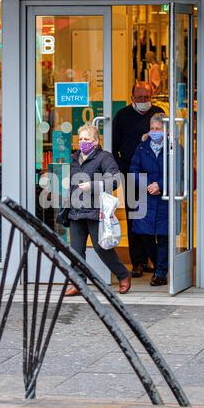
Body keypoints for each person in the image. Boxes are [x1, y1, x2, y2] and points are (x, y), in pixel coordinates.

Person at [65, 124, 132, 296]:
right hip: (76, 210)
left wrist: (93, 185)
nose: (82, 142)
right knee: (76, 249)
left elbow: (116, 180)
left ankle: (123, 274)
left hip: (96, 210)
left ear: (96, 141)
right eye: (80, 139)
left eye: (86, 139)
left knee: (101, 247)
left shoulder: (104, 158)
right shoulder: (74, 158)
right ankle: (78, 283)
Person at [112, 81, 164, 278]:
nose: (144, 102)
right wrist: (122, 169)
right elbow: (115, 145)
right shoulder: (122, 116)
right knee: (135, 217)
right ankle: (138, 262)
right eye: (140, 98)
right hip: (131, 174)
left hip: (155, 175)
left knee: (154, 217)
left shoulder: (158, 113)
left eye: (147, 98)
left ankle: (153, 258)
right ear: (132, 97)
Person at [130, 112, 168, 286]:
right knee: (144, 234)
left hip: (164, 200)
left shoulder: (174, 148)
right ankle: (156, 263)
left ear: (166, 130)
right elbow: (133, 170)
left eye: (158, 129)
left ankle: (160, 272)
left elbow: (180, 173)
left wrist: (159, 185)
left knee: (162, 237)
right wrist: (146, 184)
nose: (155, 132)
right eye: (152, 128)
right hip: (145, 198)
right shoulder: (142, 147)